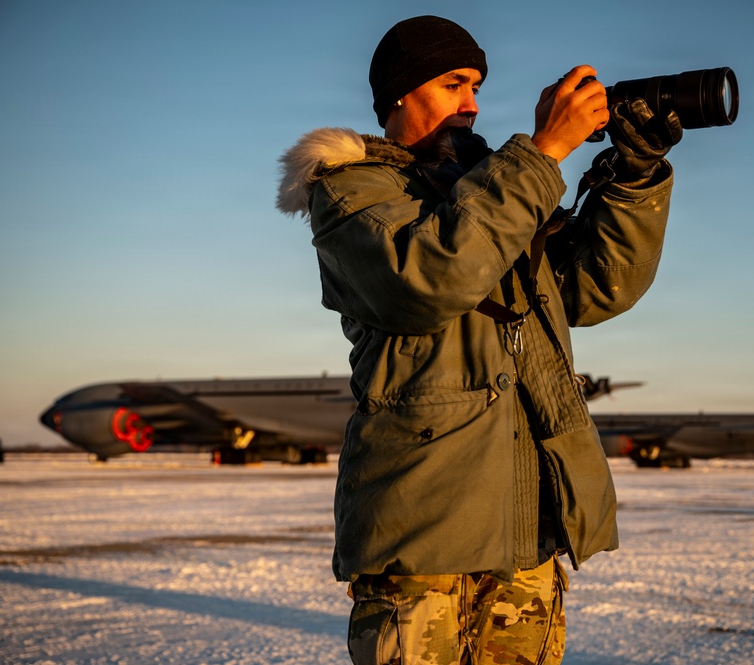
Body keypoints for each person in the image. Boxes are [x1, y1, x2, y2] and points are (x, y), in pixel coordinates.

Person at [276, 15, 681, 664]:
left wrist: (634, 174)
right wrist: (542, 153)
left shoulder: (498, 192)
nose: (471, 103)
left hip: (527, 534)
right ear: (400, 93)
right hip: (423, 538)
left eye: (476, 87)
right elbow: (430, 277)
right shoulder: (352, 189)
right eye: (453, 83)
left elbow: (596, 288)